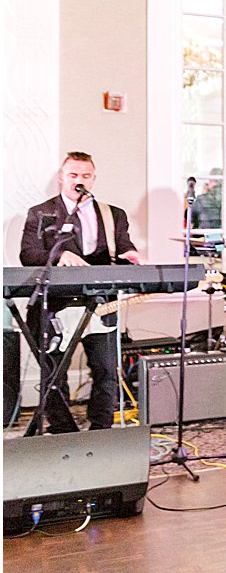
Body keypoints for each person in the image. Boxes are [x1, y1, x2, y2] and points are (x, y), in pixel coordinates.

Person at [19, 151, 144, 432]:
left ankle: (100, 431)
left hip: (100, 304)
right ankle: (64, 431)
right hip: (56, 305)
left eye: (85, 176)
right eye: (73, 175)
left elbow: (122, 247)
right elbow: (28, 254)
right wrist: (60, 254)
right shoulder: (41, 213)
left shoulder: (113, 215)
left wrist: (132, 255)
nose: (79, 181)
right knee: (54, 375)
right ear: (62, 177)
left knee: (106, 372)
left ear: (93, 178)